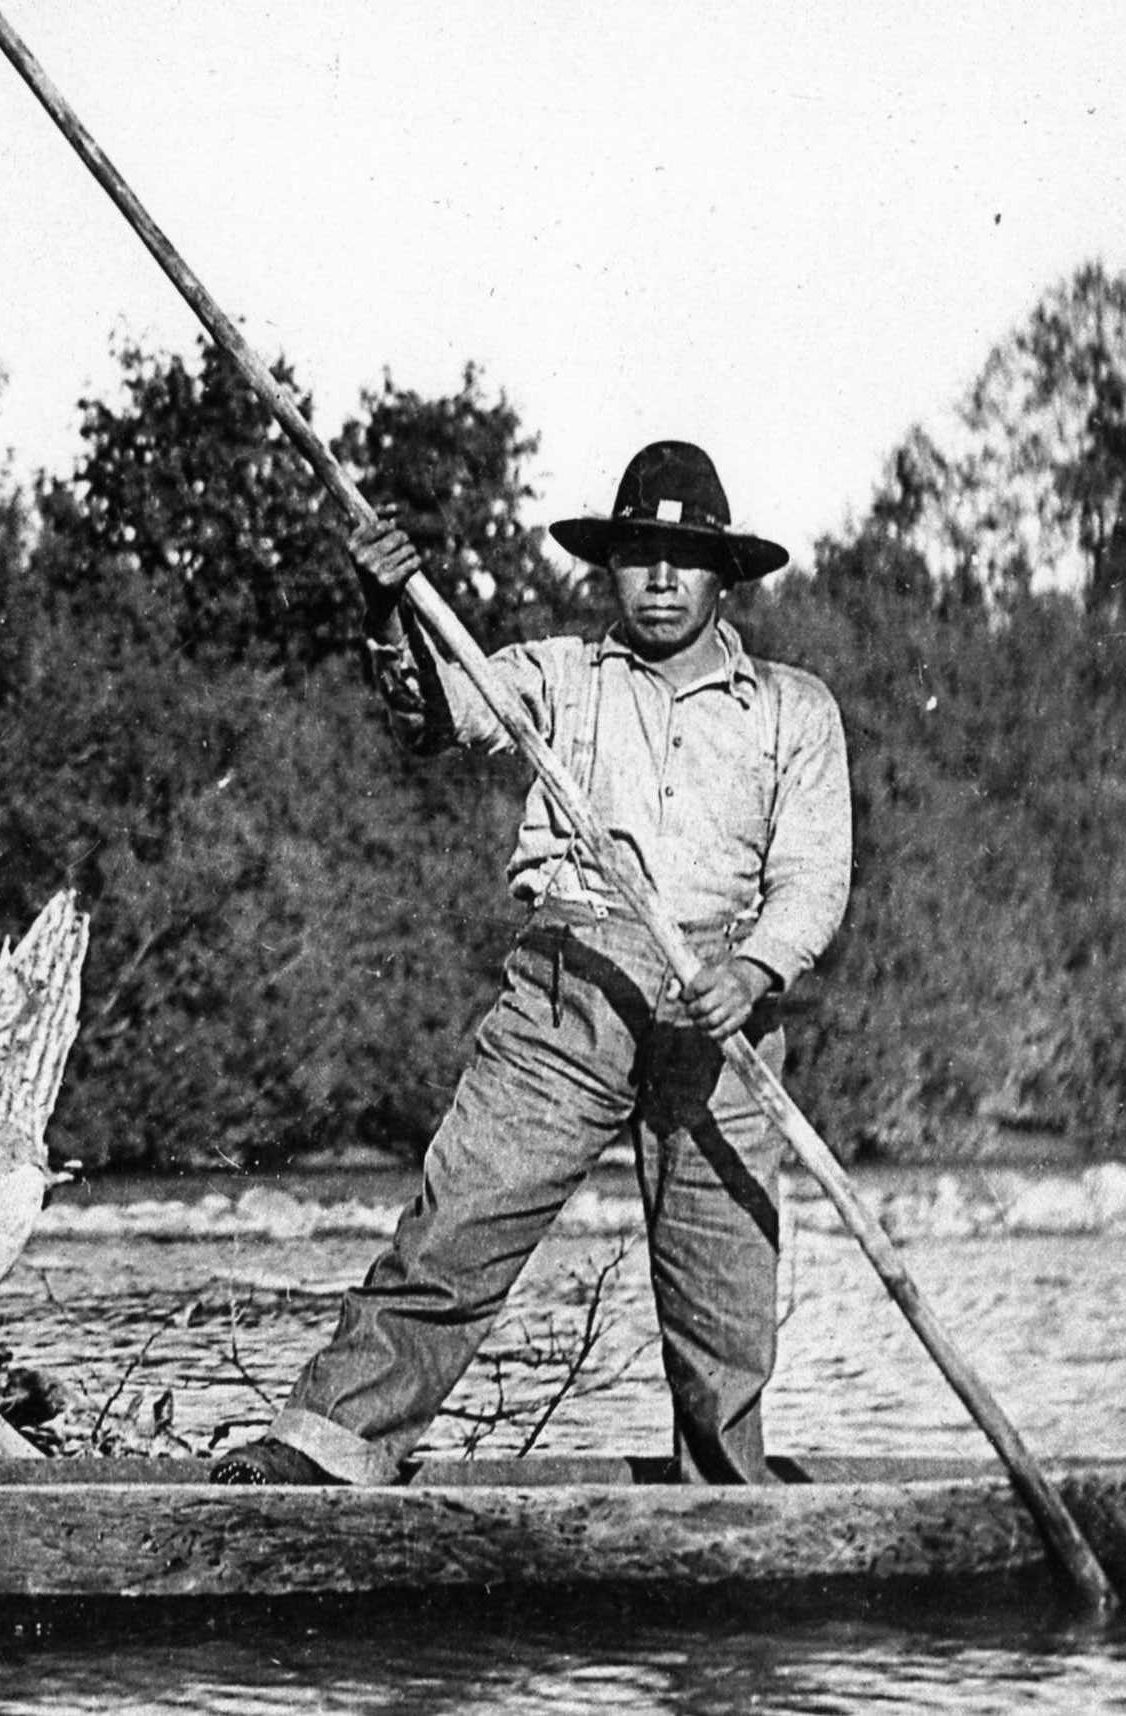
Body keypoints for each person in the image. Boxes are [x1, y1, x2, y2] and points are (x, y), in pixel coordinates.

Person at [211, 439, 852, 1487]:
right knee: (459, 1220)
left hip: (722, 1011)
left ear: (722, 576)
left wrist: (757, 973)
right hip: (570, 992)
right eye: (638, 554)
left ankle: (726, 1503)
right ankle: (329, 1448)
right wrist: (389, 611)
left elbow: (816, 876)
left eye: (683, 558)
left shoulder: (793, 707)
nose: (657, 578)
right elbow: (434, 711)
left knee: (726, 1288)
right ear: (610, 568)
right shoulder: (554, 675)